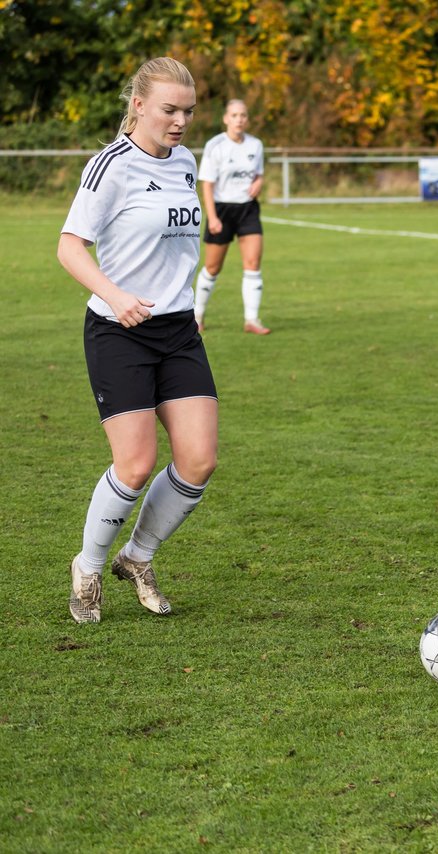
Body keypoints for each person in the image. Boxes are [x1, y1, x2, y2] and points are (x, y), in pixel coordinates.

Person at [57, 57, 218, 623]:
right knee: (135, 464)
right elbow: (70, 246)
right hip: (118, 329)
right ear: (139, 105)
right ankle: (90, 566)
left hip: (177, 329)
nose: (180, 121)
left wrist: (189, 302)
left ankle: (138, 557)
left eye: (189, 111)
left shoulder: (185, 161)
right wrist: (117, 295)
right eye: (170, 110)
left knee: (198, 461)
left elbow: (181, 248)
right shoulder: (110, 167)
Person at [193, 99, 270, 333]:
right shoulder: (215, 145)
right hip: (222, 210)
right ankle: (197, 317)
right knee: (213, 267)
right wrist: (213, 217)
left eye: (243, 115)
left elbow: (258, 174)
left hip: (248, 209)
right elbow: (206, 185)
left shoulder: (256, 145)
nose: (239, 120)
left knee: (253, 264)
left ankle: (251, 320)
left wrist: (259, 182)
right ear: (226, 119)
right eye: (235, 115)